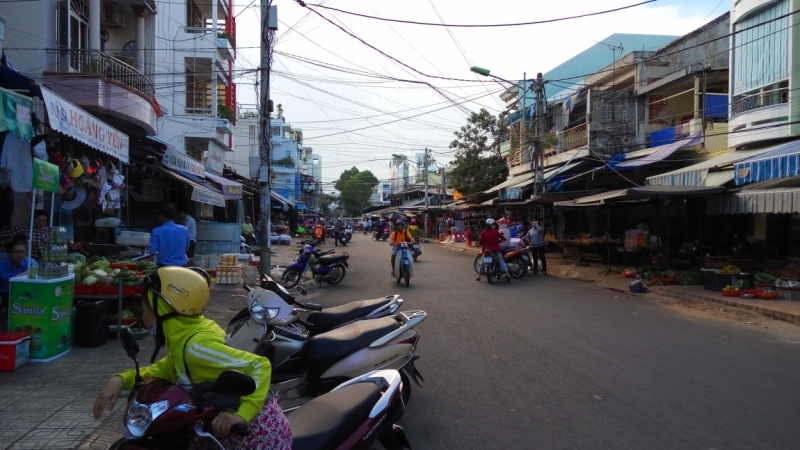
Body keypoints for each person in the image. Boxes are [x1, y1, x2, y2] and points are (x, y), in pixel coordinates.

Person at [92, 267, 292, 449]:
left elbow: (259, 365)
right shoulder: (186, 337)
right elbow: (167, 368)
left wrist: (242, 415)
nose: (142, 317)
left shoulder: (196, 346)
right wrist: (123, 378)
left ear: (163, 310)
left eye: (145, 310)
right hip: (219, 426)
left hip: (255, 433)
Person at [0, 240, 38, 329]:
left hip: (26, 294)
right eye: (16, 252)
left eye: (22, 252)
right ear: (10, 252)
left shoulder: (29, 262)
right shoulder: (2, 265)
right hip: (7, 294)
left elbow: (36, 269)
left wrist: (17, 277)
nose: (19, 255)